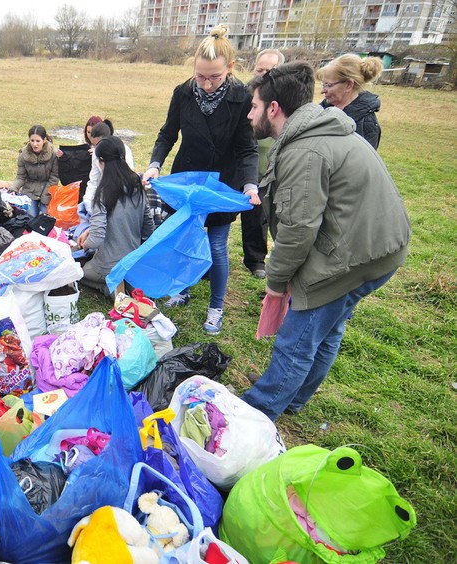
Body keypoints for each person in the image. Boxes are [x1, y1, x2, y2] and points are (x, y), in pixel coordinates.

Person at [241, 62, 410, 420]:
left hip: (355, 256)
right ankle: (294, 396)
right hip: (378, 248)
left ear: (273, 109)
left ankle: (259, 410)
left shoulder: (305, 151)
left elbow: (298, 230)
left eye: (253, 106)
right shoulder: (314, 133)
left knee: (297, 339)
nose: (248, 115)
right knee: (328, 329)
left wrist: (276, 283)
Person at [142, 25, 259, 334]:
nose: (207, 84)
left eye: (215, 77)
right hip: (188, 181)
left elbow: (248, 148)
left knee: (217, 245)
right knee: (183, 238)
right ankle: (182, 287)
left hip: (222, 184)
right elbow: (168, 133)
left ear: (230, 68)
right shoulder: (182, 92)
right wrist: (155, 164)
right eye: (201, 76)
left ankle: (216, 306)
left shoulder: (242, 97)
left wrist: (249, 184)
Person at [78, 136, 154, 296]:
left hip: (108, 264)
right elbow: (148, 229)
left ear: (102, 161)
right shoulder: (137, 186)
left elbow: (97, 239)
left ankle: (110, 288)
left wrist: (83, 245)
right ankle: (127, 283)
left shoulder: (102, 193)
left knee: (80, 273)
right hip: (133, 262)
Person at [241, 48, 285, 279]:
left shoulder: (282, 99)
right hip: (238, 162)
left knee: (258, 216)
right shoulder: (244, 93)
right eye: (260, 69)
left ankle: (255, 259)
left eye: (270, 70)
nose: (263, 74)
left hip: (263, 166)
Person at [316, 54, 384, 149]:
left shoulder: (366, 125)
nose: (322, 91)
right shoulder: (322, 110)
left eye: (328, 85)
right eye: (323, 84)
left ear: (349, 85)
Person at [82, 119, 135, 210]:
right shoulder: (96, 153)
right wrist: (87, 200)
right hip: (104, 197)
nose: (96, 148)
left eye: (98, 145)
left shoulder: (124, 150)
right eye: (94, 145)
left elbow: (129, 178)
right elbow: (94, 180)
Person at [11, 125, 60, 217]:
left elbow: (54, 178)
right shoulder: (23, 155)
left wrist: (45, 198)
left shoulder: (53, 154)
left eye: (38, 141)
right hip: (29, 191)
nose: (34, 144)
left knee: (45, 217)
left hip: (47, 191)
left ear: (44, 140)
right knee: (31, 217)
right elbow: (20, 176)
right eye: (32, 141)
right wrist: (14, 188)